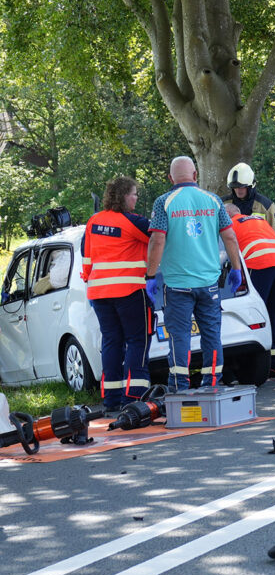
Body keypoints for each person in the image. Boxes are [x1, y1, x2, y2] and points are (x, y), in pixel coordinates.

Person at [145, 156, 243, 391]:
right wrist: (236, 269)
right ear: (195, 175)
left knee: (180, 337)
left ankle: (180, 385)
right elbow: (229, 236)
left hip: (178, 285)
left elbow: (158, 239)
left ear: (170, 179)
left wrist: (150, 276)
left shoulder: (164, 202)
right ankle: (212, 384)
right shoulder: (214, 200)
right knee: (211, 335)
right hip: (209, 283)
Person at [81, 176, 152, 414]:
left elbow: (87, 258)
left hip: (99, 293)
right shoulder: (133, 222)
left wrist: (89, 282)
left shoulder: (93, 222)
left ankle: (111, 398)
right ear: (123, 196)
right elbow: (159, 237)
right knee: (137, 341)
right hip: (130, 290)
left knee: (111, 342)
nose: (136, 198)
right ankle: (134, 395)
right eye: (133, 194)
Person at [224, 203, 275, 376]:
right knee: (274, 313)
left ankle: (247, 364)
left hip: (260, 264)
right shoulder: (257, 220)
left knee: (254, 315)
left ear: (228, 214)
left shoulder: (229, 224)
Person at [224, 162, 275, 243]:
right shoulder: (223, 204)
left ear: (251, 186)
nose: (238, 190)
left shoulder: (266, 206)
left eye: (242, 187)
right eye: (235, 187)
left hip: (258, 252)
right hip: (231, 252)